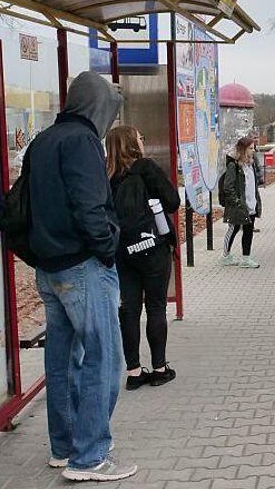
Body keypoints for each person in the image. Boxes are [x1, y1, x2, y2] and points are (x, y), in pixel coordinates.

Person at [26, 72, 134, 482]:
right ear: (97, 105)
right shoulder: (83, 142)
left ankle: (64, 446)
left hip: (48, 268)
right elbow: (91, 207)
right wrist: (107, 251)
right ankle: (89, 457)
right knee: (105, 359)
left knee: (61, 359)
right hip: (83, 266)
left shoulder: (44, 141)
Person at [104, 126, 180, 392]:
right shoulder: (146, 167)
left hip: (122, 253)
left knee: (129, 310)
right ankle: (160, 369)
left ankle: (134, 372)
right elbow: (172, 202)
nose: (142, 141)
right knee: (156, 307)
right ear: (131, 144)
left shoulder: (106, 174)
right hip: (153, 247)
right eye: (140, 137)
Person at [220, 136, 262, 267]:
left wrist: (256, 201)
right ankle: (226, 255)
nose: (253, 150)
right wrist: (237, 202)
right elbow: (228, 187)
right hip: (239, 205)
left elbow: (253, 184)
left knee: (249, 230)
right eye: (250, 148)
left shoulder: (252, 164)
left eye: (253, 148)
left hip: (251, 203)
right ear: (243, 150)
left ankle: (246, 257)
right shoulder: (234, 166)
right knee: (234, 228)